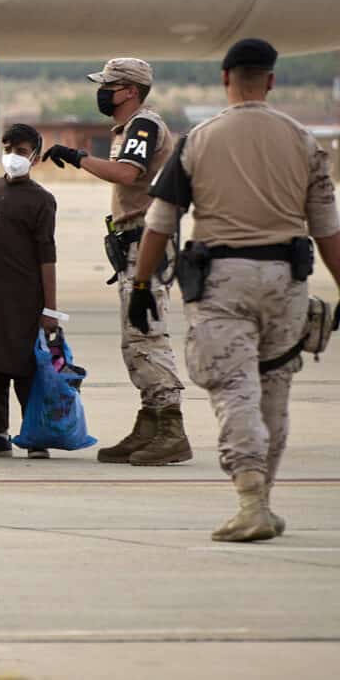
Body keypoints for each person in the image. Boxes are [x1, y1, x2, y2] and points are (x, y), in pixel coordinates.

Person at [132, 37, 340, 541]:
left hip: (223, 282)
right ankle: (263, 499)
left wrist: (141, 283)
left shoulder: (199, 139)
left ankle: (249, 499)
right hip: (286, 282)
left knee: (234, 389)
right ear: (270, 80)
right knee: (275, 389)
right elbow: (327, 227)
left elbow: (161, 220)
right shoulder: (303, 140)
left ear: (226, 79)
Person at [42, 57, 189, 466]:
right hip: (135, 243)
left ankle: (171, 428)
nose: (103, 92)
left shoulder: (143, 125)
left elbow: (127, 173)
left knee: (146, 335)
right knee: (134, 339)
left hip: (148, 243)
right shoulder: (132, 127)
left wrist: (77, 157)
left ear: (130, 90)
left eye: (109, 85)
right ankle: (150, 421)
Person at [0, 125, 60, 457]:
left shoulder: (42, 200)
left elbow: (47, 256)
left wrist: (50, 309)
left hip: (22, 300)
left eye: (20, 151)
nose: (12, 157)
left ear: (34, 156)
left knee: (24, 367)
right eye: (7, 149)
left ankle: (35, 436)